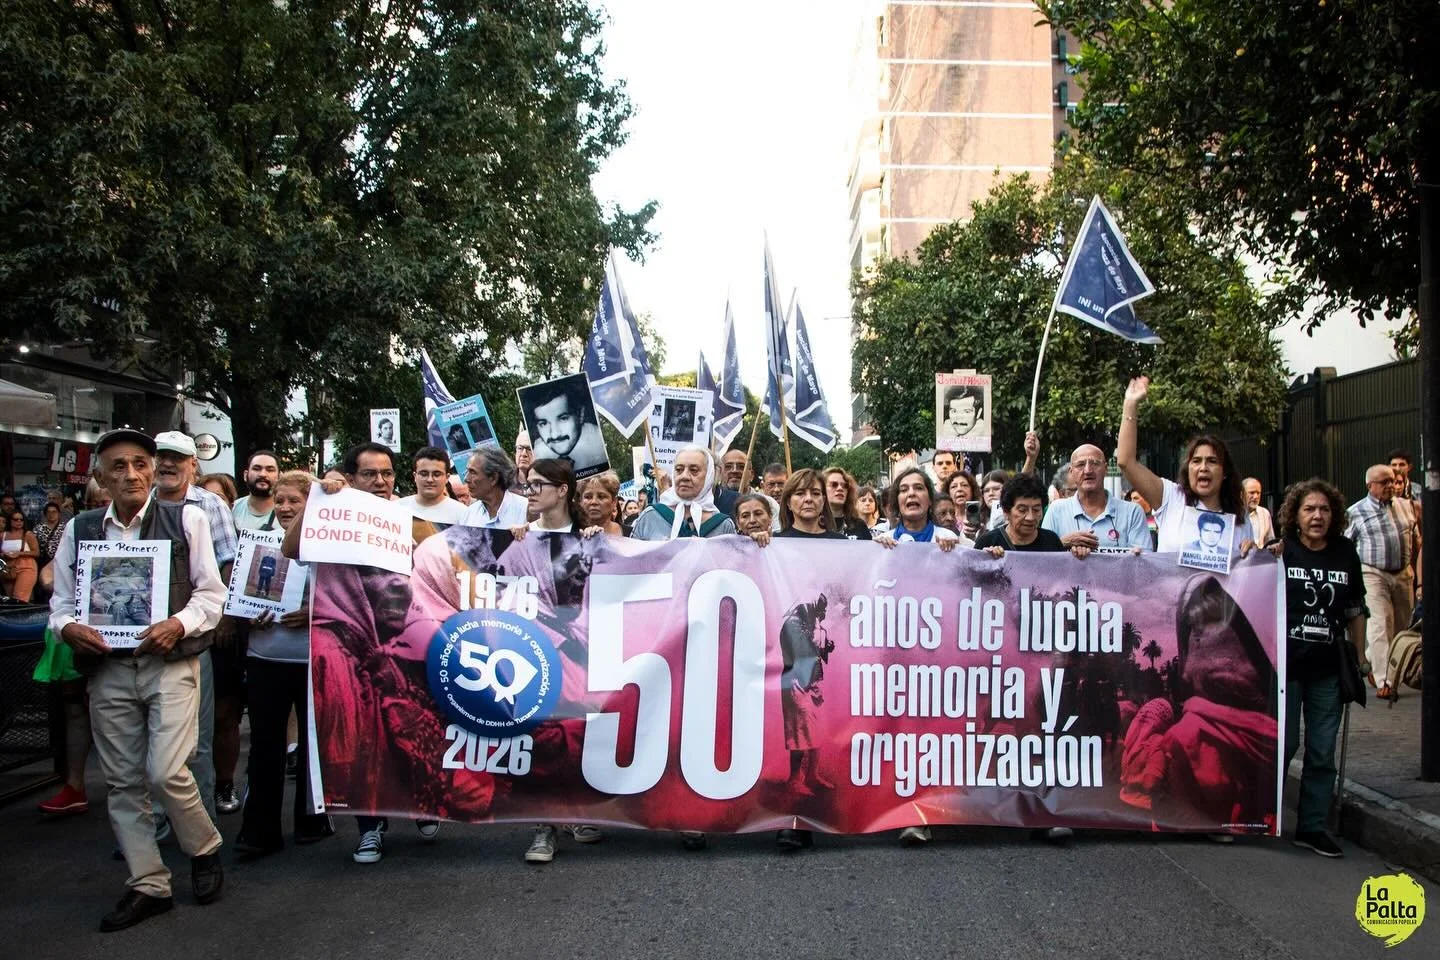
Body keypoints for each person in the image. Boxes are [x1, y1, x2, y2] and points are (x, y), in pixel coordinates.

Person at [48, 428, 225, 931]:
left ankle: (203, 846)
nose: (131, 474)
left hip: (170, 664)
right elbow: (61, 603)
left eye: (140, 464)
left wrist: (178, 624)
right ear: (100, 476)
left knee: (166, 772)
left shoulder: (186, 518)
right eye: (119, 466)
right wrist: (68, 627)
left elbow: (212, 596)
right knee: (123, 781)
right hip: (109, 669)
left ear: (152, 470)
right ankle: (149, 883)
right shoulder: (81, 529)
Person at [282, 441, 442, 862]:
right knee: (360, 738)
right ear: (350, 478)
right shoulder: (330, 511)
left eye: (386, 473)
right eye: (369, 474)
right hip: (346, 648)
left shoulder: (411, 521)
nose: (380, 481)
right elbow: (290, 549)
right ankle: (370, 826)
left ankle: (422, 803)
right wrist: (316, 499)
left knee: (412, 728)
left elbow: (444, 571)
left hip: (405, 646)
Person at [1120, 575, 1279, 834]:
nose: (1203, 639)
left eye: (1219, 621)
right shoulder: (1272, 733)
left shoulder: (1185, 737)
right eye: (1196, 627)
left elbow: (1168, 805)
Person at [234, 470, 334, 856]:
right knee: (265, 746)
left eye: (295, 500)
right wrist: (248, 613)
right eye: (280, 500)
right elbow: (236, 598)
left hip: (313, 658)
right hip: (265, 658)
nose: (286, 507)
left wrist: (313, 612)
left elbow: (343, 597)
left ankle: (312, 820)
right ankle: (259, 830)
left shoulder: (328, 542)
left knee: (312, 745)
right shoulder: (254, 541)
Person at [1270, 479, 1367, 857]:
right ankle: (1268, 814)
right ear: (1295, 515)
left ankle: (1312, 827)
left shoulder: (1345, 553)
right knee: (1285, 743)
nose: (1317, 516)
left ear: (1335, 515)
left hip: (1328, 667)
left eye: (1324, 509)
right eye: (1309, 509)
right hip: (1287, 666)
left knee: (1322, 750)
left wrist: (1360, 656)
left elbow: (1355, 608)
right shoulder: (1282, 550)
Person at [1117, 376, 1255, 559]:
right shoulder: (1170, 497)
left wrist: (1253, 552)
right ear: (1188, 469)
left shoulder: (1240, 517)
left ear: (1225, 472)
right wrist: (1130, 403)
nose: (1203, 467)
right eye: (1196, 461)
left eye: (1212, 461)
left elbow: (1247, 569)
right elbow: (1126, 462)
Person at [1345, 464, 1418, 702]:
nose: (1390, 486)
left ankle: (1376, 659)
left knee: (1401, 626)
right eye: (1384, 482)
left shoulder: (1406, 506)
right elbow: (1345, 544)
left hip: (1402, 573)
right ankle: (1385, 679)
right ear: (1370, 486)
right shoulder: (1355, 512)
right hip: (1372, 573)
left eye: (1392, 481)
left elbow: (1415, 538)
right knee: (1379, 624)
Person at [1042, 444, 1151, 553]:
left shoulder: (1132, 512)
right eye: (1080, 464)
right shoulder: (1056, 510)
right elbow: (1041, 556)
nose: (1088, 470)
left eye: (1095, 463)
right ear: (1071, 472)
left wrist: (1137, 555)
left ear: (1105, 469)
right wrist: (1063, 543)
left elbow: (1145, 558)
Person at [976, 473, 1091, 559]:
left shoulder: (1051, 541)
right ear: (1006, 512)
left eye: (1036, 510)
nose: (1030, 517)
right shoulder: (987, 543)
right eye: (1022, 510)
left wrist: (1078, 557)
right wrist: (987, 560)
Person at [527, 379, 606, 471]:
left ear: (581, 415)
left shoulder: (601, 444)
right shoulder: (538, 454)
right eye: (543, 424)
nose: (554, 435)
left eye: (563, 419)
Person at [460, 446, 529, 529]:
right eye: (467, 471)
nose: (466, 479)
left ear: (493, 478)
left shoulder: (526, 510)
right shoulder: (469, 515)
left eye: (473, 472)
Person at [398, 446, 466, 526]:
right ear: (415, 476)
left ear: (447, 477)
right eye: (424, 474)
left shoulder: (463, 514)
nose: (430, 480)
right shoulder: (397, 508)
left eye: (437, 474)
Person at [232, 450, 280, 531]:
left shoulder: (288, 512)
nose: (263, 474)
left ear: (280, 476)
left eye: (270, 470)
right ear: (245, 475)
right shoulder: (233, 509)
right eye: (256, 469)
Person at [822, 467, 873, 541]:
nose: (840, 488)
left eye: (845, 486)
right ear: (822, 489)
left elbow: (869, 547)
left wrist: (881, 543)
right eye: (834, 484)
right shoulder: (814, 524)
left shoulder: (859, 525)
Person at [2, 509, 40, 601]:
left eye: (21, 519)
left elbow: (36, 552)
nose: (19, 521)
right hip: (7, 568)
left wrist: (19, 553)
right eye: (16, 519)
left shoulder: (28, 534)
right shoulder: (3, 535)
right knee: (10, 600)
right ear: (10, 521)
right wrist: (4, 554)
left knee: (19, 597)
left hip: (26, 566)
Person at [577, 471, 624, 536]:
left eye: (601, 496)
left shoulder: (632, 534)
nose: (594, 502)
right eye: (588, 497)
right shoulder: (570, 536)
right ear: (580, 501)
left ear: (614, 502)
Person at [1243, 478, 1275, 547]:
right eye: (1252, 493)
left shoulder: (1265, 513)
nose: (1256, 496)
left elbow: (1270, 541)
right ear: (1241, 494)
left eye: (1258, 493)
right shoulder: (1234, 514)